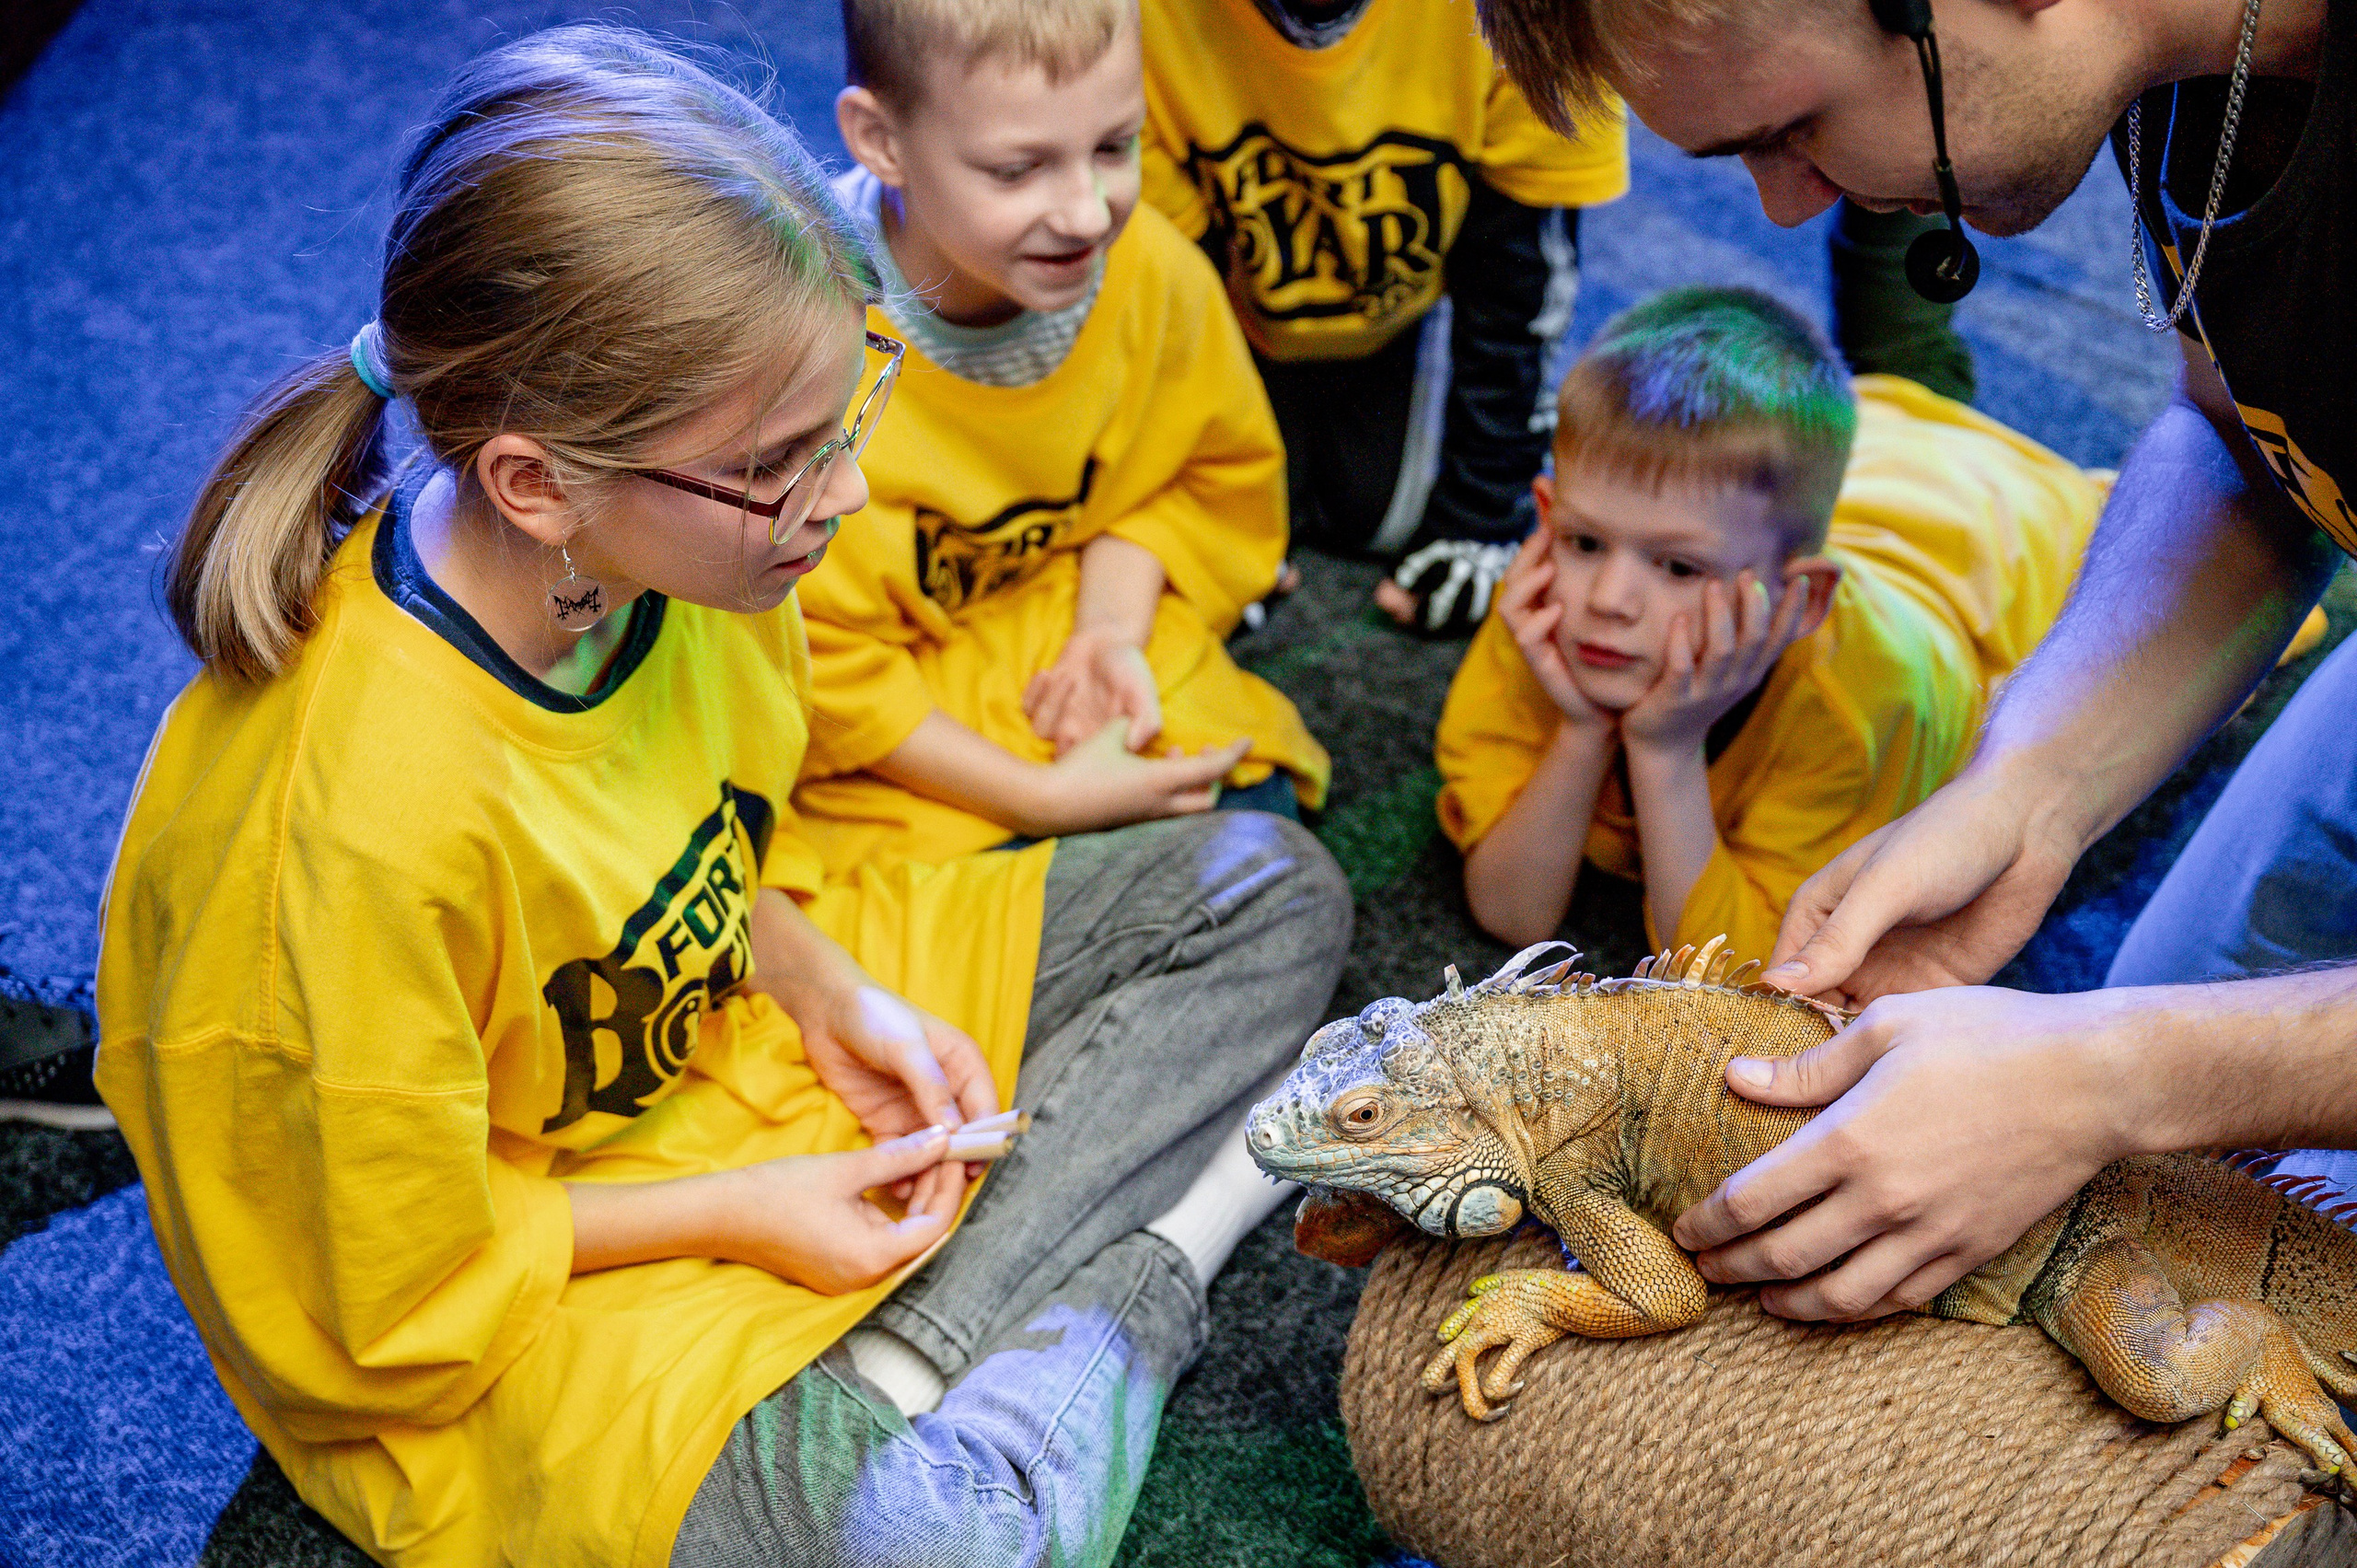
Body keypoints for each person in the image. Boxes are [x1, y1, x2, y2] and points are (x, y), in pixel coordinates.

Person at [92, 29, 1350, 1568]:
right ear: (537, 484)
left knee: (1262, 888)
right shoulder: (338, 837)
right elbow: (368, 1299)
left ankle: (922, 1359)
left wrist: (828, 991)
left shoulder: (683, 546)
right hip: (499, 1279)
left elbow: (681, 849)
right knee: (915, 1547)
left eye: (848, 415)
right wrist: (750, 1210)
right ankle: (1115, 1288)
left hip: (706, 1051)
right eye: (780, 462)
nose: (850, 494)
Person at [1469, 0, 2357, 1333]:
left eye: (1792, 128)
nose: (1786, 207)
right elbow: (2245, 429)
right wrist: (2027, 789)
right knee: (2180, 1192)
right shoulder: (2154, 58)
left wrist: (2115, 1074)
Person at [798, 0, 1329, 874]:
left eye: (1116, 148)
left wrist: (1109, 633)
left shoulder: (1152, 271)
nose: (1088, 214)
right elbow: (805, 662)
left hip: (1063, 623)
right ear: (880, 139)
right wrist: (1036, 796)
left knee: (1251, 809)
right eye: (1018, 169)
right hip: (899, 718)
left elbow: (1202, 475)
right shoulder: (801, 339)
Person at [1435, 286, 2105, 959]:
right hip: (1876, 452)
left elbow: (1736, 979)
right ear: (1547, 518)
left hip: (2013, 539)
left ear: (1799, 602)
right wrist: (1583, 732)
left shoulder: (1856, 707)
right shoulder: (1552, 601)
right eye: (1585, 542)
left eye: (1677, 568)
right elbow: (1511, 911)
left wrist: (1665, 752)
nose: (1609, 599)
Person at [1137, 0, 1631, 635]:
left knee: (1381, 517)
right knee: (1238, 526)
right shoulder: (1137, 19)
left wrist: (1481, 515)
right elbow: (1165, 290)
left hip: (1404, 319)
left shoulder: (1527, 13)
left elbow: (1520, 288)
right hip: (1238, 327)